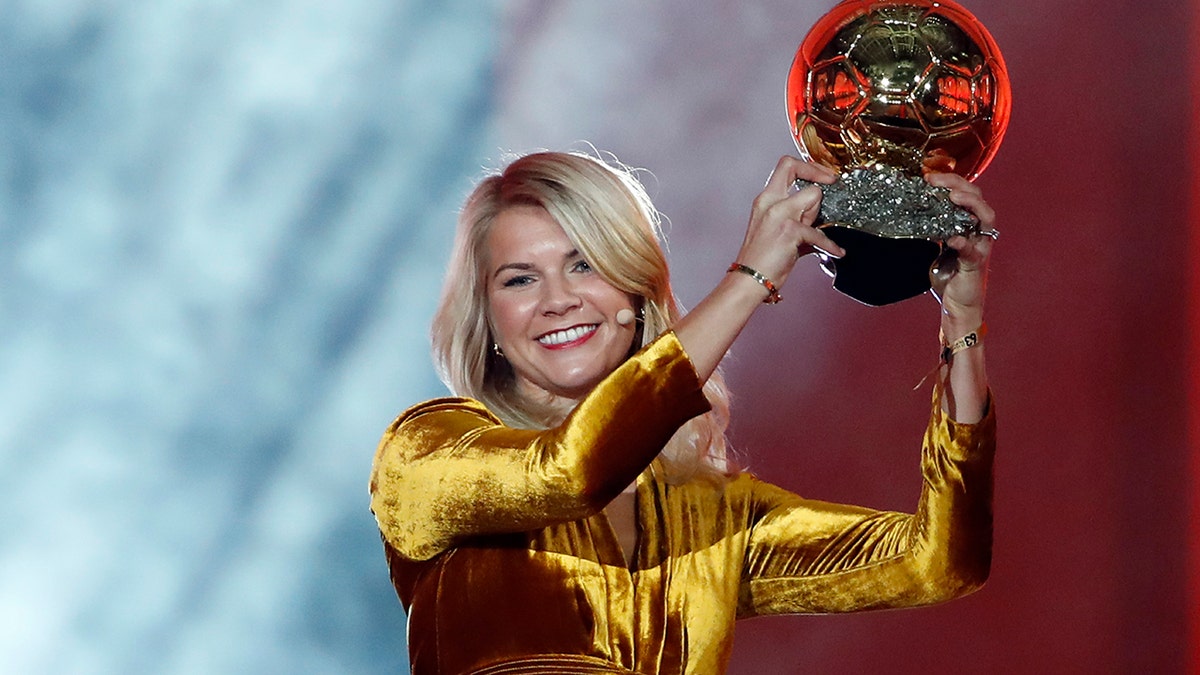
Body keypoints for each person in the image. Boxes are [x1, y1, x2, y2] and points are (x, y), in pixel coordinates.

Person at [369, 150, 996, 674]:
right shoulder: (427, 453)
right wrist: (753, 275)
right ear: (490, 322)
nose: (557, 300)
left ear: (636, 291)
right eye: (519, 280)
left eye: (583, 264)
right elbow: (567, 473)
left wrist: (962, 322)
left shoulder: (710, 513)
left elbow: (936, 562)